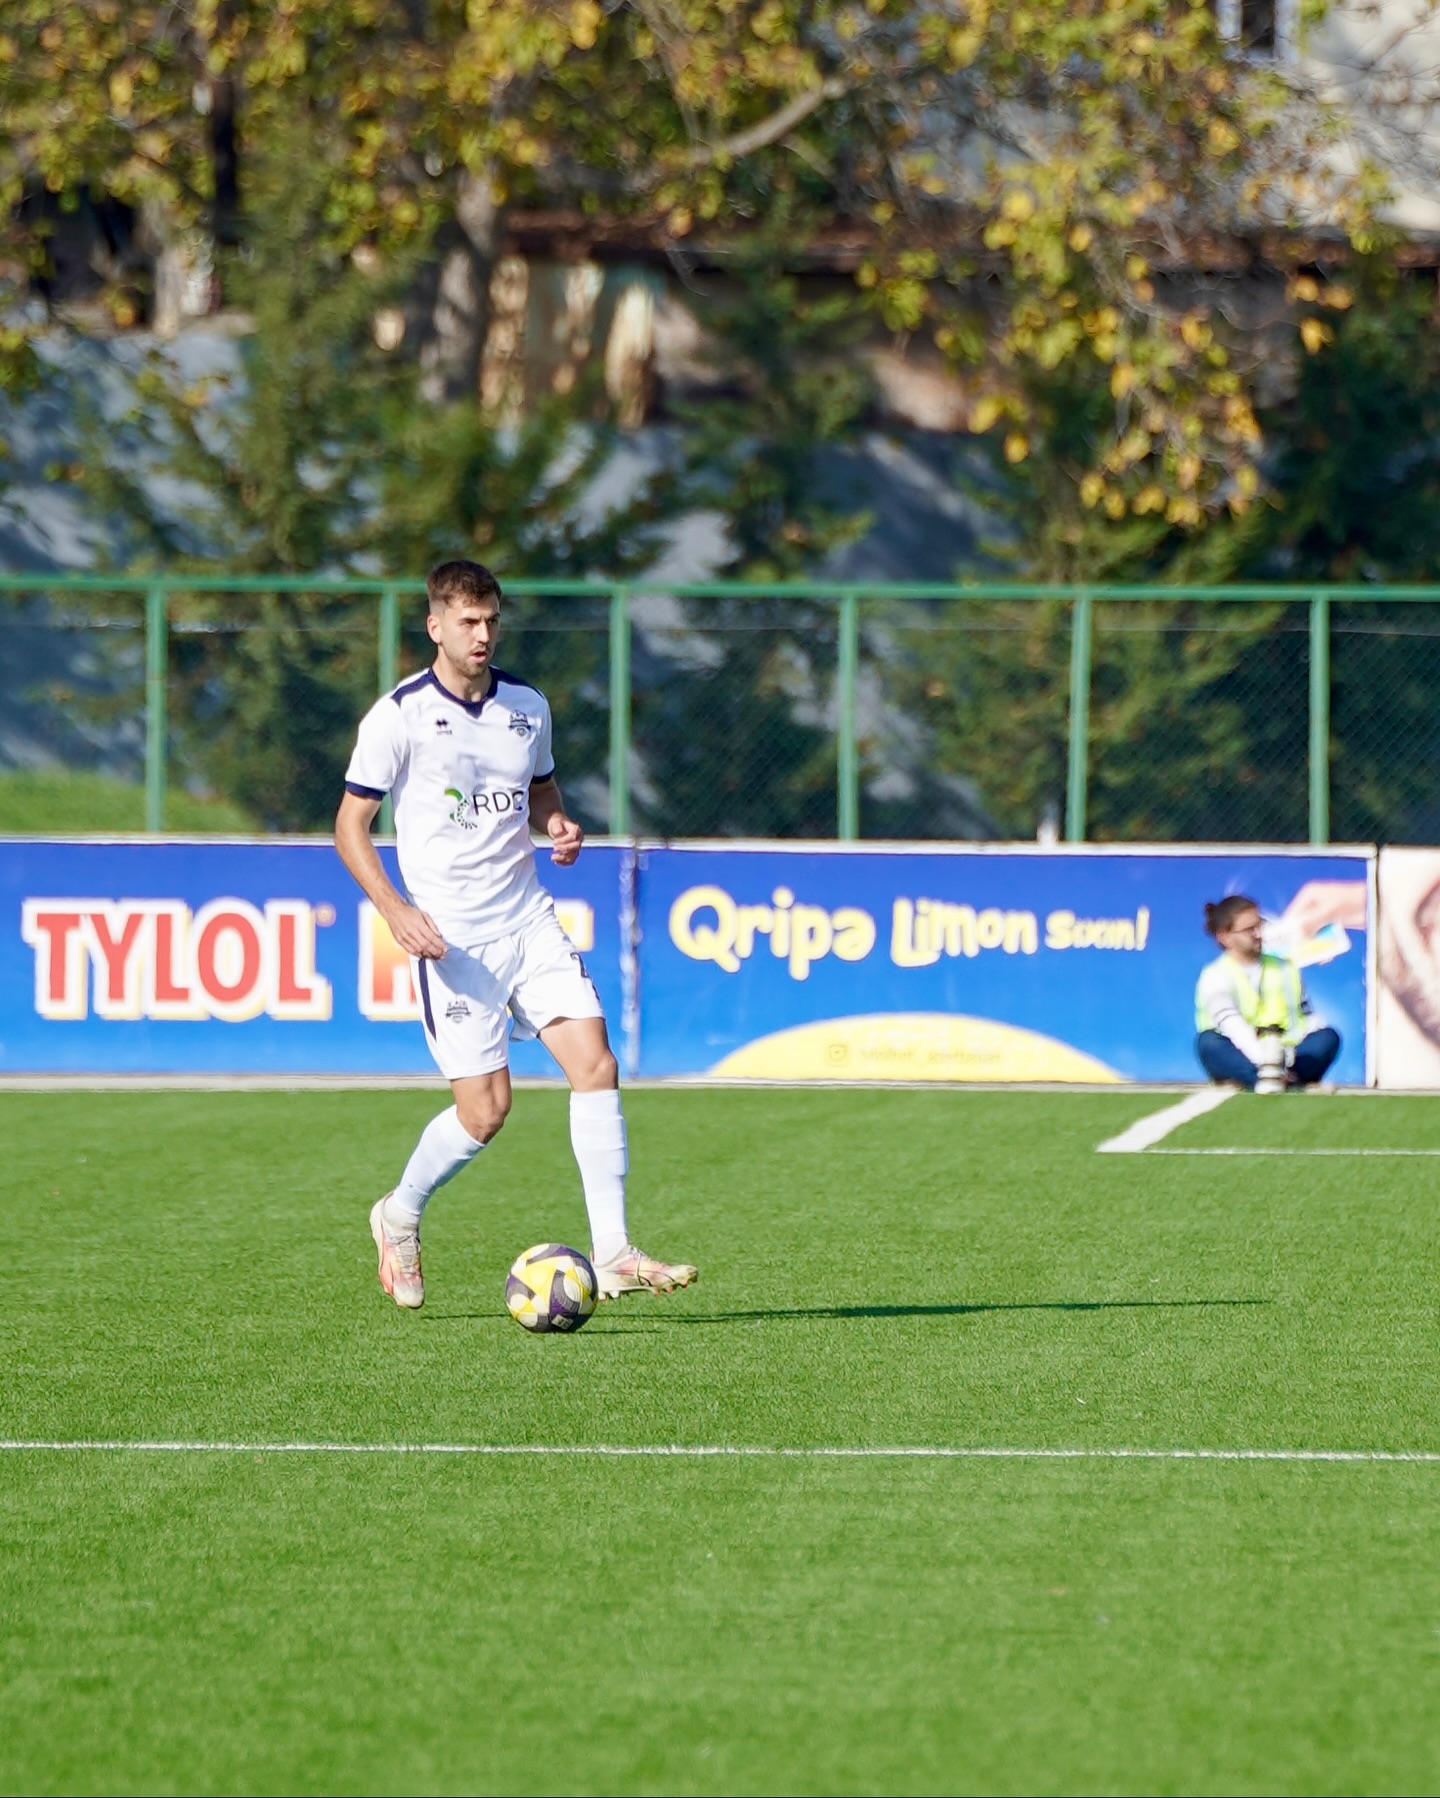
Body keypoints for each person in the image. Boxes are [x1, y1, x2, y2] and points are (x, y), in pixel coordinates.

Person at [334, 558, 698, 1310]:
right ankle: (398, 1215)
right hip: (453, 940)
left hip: (528, 920)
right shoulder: (397, 716)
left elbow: (540, 789)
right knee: (486, 1113)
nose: (482, 634)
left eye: (491, 619)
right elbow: (350, 826)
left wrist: (557, 825)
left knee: (596, 1065)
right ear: (434, 625)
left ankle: (615, 1252)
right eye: (467, 621)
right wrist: (396, 910)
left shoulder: (527, 705)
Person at [1194, 894, 1341, 1090]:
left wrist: (1283, 1058)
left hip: (1288, 1055)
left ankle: (1276, 1081)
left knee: (1328, 1037)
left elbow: (1307, 1016)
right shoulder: (1215, 975)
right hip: (1246, 1053)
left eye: (1259, 926)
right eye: (1249, 930)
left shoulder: (1285, 967)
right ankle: (1279, 1082)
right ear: (1225, 937)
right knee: (1209, 1044)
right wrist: (1266, 1063)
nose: (1258, 934)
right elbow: (1230, 1023)